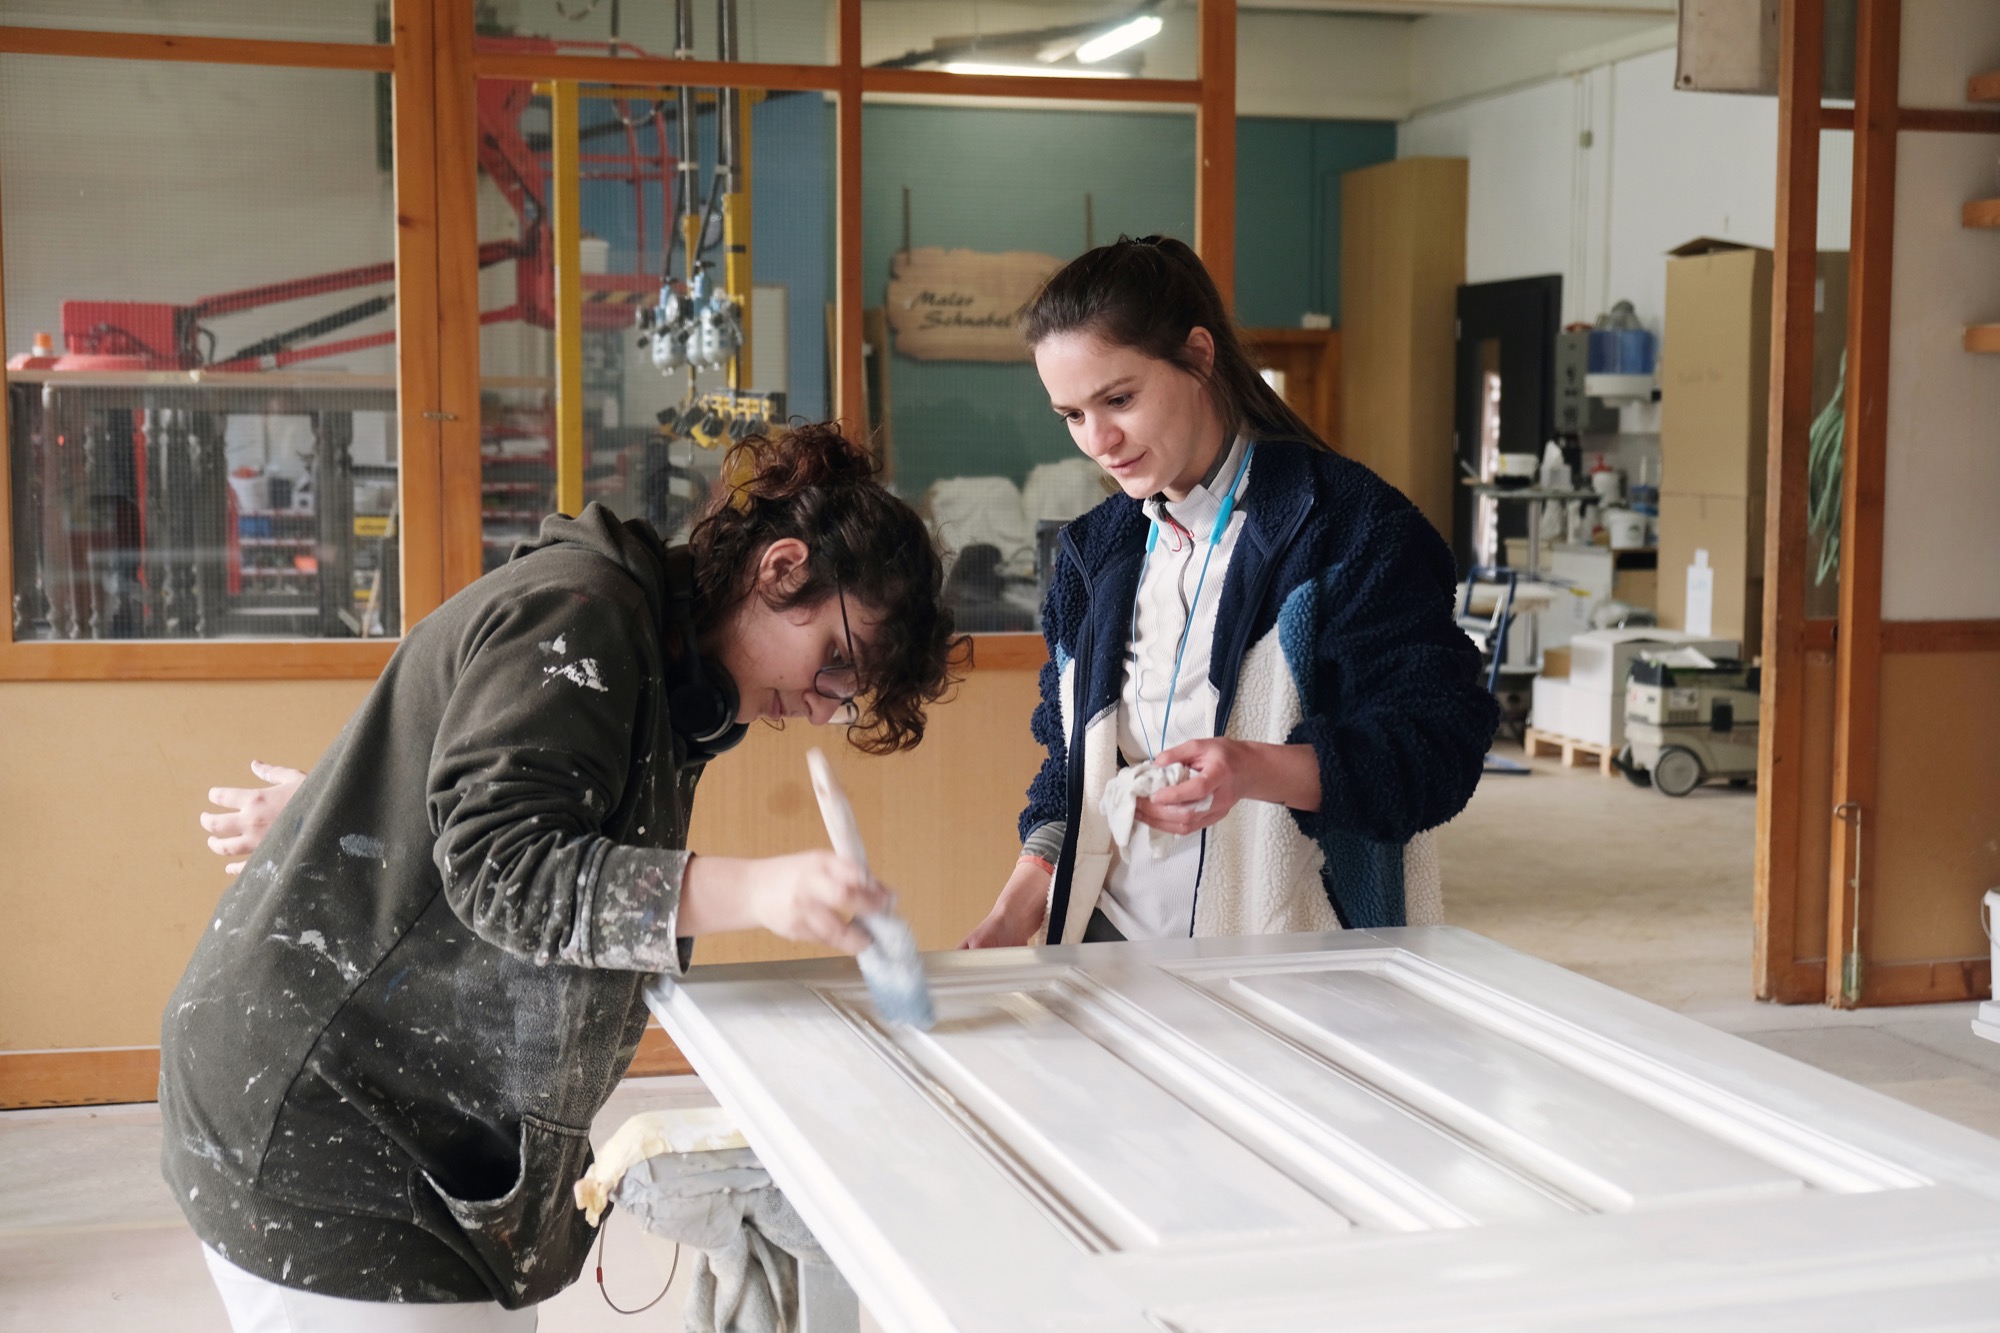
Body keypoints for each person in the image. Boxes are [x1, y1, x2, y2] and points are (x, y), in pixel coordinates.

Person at [164, 422, 961, 1329]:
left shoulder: (668, 679)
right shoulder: (585, 616)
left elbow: (485, 800)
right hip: (326, 1128)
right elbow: (504, 867)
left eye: (847, 695)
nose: (821, 708)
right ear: (782, 569)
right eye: (836, 662)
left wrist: (368, 818)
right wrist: (758, 890)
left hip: (421, 1126)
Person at [962, 236, 1497, 950]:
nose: (1098, 440)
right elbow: (1071, 772)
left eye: (1118, 399)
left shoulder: (1351, 529)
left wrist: (1256, 769)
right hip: (1105, 944)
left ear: (1199, 356)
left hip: (1282, 958)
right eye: (1073, 415)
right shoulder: (1093, 554)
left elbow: (1440, 747)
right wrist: (1013, 911)